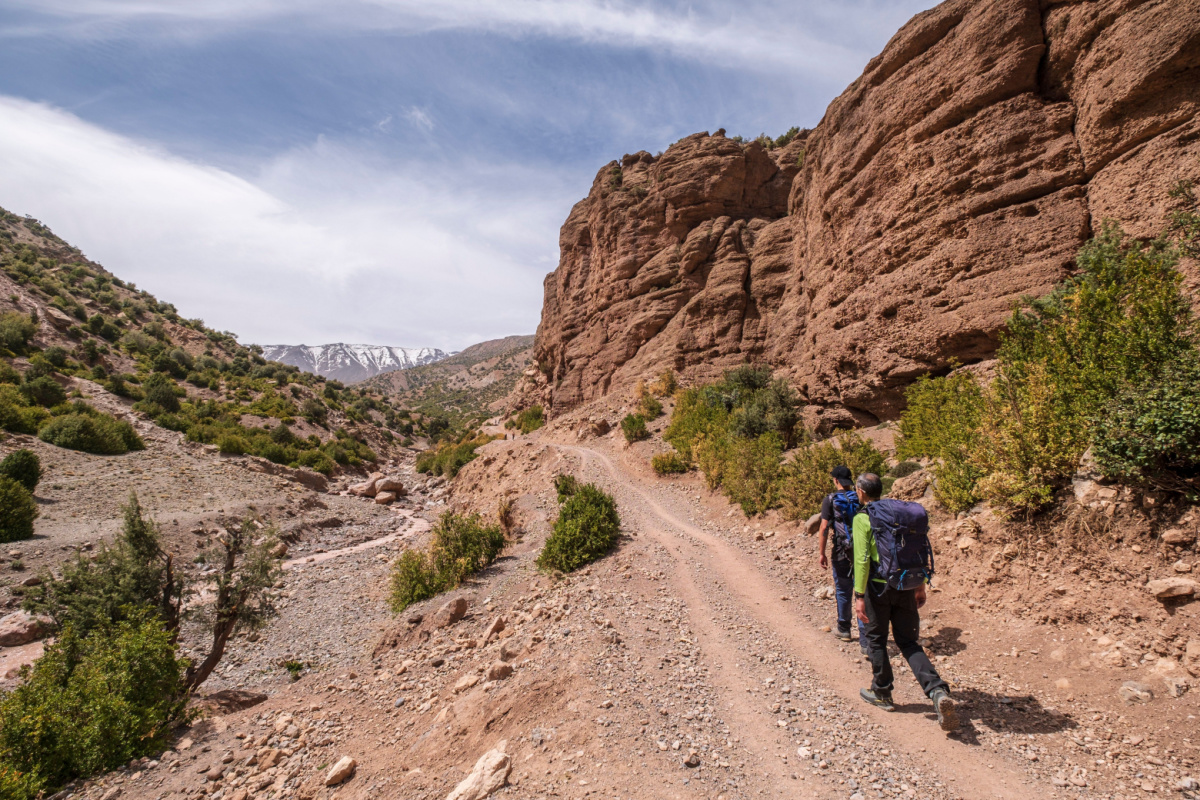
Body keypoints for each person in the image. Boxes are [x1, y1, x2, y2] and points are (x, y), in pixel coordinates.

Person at [852, 472, 958, 731]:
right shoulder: (898, 516)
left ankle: (882, 691)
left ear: (861, 492)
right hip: (906, 584)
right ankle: (937, 691)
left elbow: (862, 559)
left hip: (878, 589)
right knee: (909, 642)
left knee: (876, 638)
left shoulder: (863, 518)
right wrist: (919, 586)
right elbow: (916, 552)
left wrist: (858, 596)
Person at [817, 465, 868, 653]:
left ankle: (844, 629)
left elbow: (823, 528)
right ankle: (866, 640)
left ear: (836, 480)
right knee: (861, 592)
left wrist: (821, 553)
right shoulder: (861, 497)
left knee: (843, 589)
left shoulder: (830, 499)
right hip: (862, 552)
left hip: (840, 551)